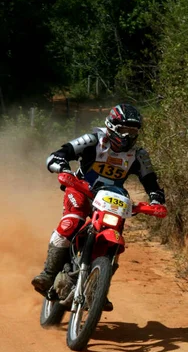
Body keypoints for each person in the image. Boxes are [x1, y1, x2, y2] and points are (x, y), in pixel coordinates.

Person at [31, 103, 165, 311]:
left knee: (115, 238)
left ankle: (99, 287)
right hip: (81, 190)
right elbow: (59, 154)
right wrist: (62, 167)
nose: (128, 136)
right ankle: (48, 275)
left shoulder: (139, 155)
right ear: (111, 127)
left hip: (113, 198)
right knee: (71, 223)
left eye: (133, 131)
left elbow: (151, 182)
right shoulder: (93, 140)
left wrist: (156, 200)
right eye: (124, 130)